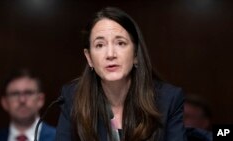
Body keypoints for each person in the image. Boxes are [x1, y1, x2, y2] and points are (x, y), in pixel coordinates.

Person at [56, 7, 187, 141]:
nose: (110, 54)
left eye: (120, 43)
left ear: (136, 54)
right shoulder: (72, 98)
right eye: (100, 45)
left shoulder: (168, 100)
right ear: (89, 58)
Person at [0, 69, 56, 141]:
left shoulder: (61, 138)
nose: (22, 100)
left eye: (28, 93)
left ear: (40, 100)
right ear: (5, 102)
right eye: (15, 94)